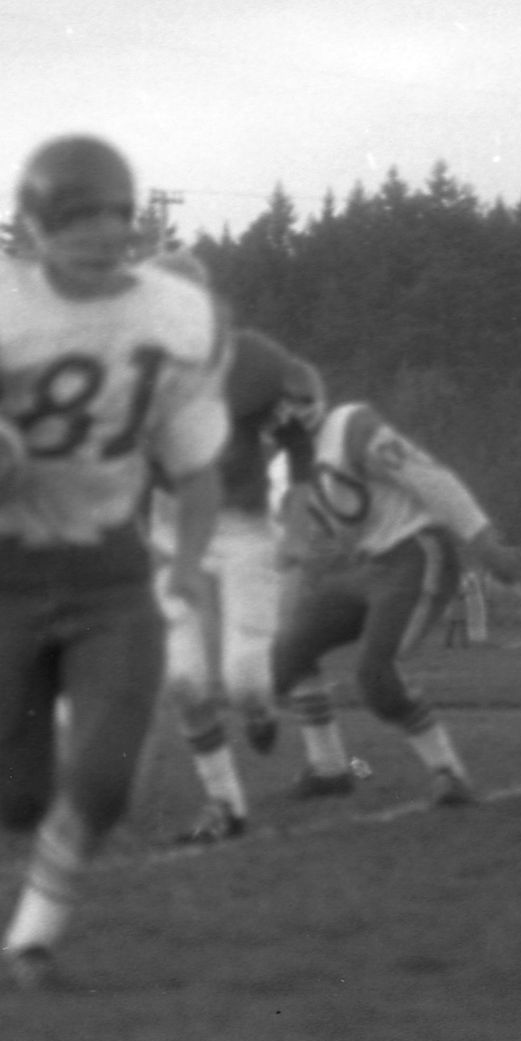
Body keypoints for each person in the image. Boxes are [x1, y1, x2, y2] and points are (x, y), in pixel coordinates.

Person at [0, 133, 229, 989]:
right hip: (1, 569)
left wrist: (188, 562)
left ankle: (32, 939)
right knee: (15, 801)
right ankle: (39, 753)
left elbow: (196, 470)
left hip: (110, 571)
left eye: (117, 213)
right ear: (36, 224)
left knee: (105, 781)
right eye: (79, 215)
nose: (102, 231)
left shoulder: (175, 315)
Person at [270, 396, 521, 807]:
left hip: (416, 551)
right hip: (369, 567)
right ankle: (331, 768)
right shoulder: (280, 476)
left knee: (376, 674)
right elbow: (296, 557)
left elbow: (430, 479)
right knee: (289, 649)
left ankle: (448, 772)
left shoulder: (349, 427)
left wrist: (483, 542)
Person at [154, 322, 328, 845]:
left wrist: (297, 525)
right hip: (175, 535)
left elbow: (298, 445)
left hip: (244, 531)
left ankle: (261, 711)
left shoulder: (243, 374)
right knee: (184, 680)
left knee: (245, 680)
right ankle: (226, 806)